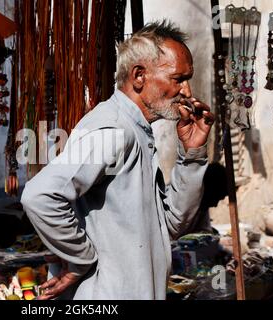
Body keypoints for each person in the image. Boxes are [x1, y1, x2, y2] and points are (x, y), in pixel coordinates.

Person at [20, 20, 215, 300]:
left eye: (187, 79)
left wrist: (192, 153)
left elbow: (173, 224)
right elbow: (39, 195)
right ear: (139, 76)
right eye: (177, 79)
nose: (186, 91)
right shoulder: (115, 131)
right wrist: (80, 259)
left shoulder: (135, 130)